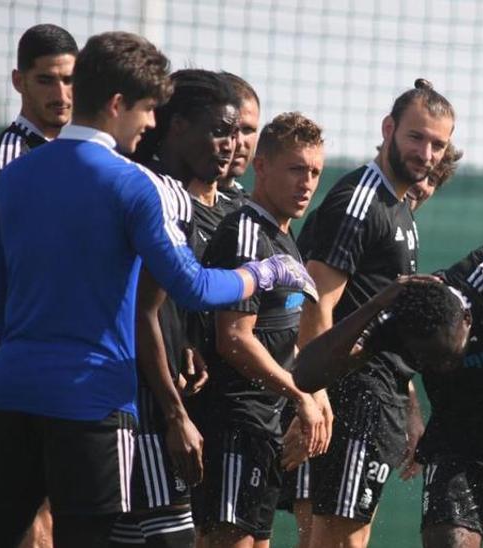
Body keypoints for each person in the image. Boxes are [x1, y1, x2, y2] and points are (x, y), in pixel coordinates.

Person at [0, 31, 314, 547]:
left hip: (10, 390)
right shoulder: (130, 184)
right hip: (90, 399)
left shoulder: (13, 176)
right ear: (116, 104)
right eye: (147, 110)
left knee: (1, 534)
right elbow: (193, 286)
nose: (152, 124)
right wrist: (265, 275)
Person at [295, 230, 483, 548]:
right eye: (429, 361)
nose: (444, 368)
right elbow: (306, 375)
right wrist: (378, 302)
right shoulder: (397, 326)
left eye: (449, 356)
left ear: (467, 318)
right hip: (458, 447)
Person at [295, 78, 455, 548]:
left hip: (376, 397)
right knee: (339, 540)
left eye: (438, 144)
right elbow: (316, 301)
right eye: (416, 136)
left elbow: (393, 328)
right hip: (351, 398)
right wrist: (315, 397)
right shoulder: (360, 199)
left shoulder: (400, 208)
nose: (426, 152)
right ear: (388, 129)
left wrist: (409, 411)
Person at [111, 68, 243, 548]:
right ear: (178, 125)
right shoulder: (154, 193)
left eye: (237, 132)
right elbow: (141, 310)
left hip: (151, 396)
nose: (230, 145)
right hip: (140, 404)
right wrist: (174, 415)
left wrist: (184, 341)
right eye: (219, 130)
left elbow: (159, 305)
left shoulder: (183, 197)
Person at [191, 112, 327, 548]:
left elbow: (291, 333)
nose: (307, 183)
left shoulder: (284, 237)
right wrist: (299, 395)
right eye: (295, 169)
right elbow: (234, 338)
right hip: (233, 420)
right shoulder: (246, 234)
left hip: (263, 427)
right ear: (261, 167)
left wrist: (311, 396)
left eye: (315, 172)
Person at [0, 23, 77, 548]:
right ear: (18, 81)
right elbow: (28, 269)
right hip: (19, 351)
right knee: (17, 522)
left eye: (70, 80)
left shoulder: (87, 156)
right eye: (46, 80)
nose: (61, 94)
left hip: (69, 358)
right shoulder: (8, 162)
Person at [218, 72, 261, 201]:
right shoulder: (174, 200)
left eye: (248, 130)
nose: (240, 141)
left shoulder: (252, 209)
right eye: (230, 129)